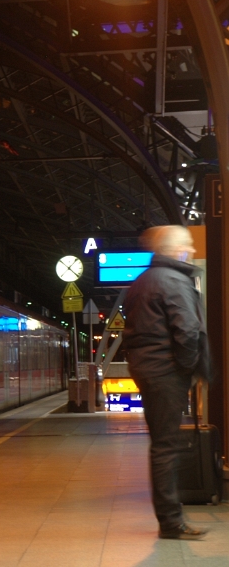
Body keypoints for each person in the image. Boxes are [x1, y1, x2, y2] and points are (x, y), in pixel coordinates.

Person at [123, 225, 211, 540]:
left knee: (162, 444)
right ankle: (171, 522)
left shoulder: (143, 281)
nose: (190, 248)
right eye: (186, 244)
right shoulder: (173, 280)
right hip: (166, 372)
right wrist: (185, 368)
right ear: (173, 249)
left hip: (149, 368)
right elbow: (187, 329)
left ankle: (170, 519)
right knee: (165, 447)